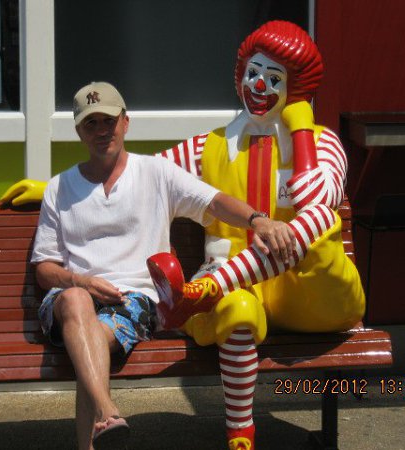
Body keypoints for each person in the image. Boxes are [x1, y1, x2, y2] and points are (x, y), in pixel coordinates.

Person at [32, 80, 294, 450]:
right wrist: (83, 282)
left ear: (125, 122)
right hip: (69, 298)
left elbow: (215, 202)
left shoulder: (155, 172)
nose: (101, 130)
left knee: (87, 344)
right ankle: (107, 412)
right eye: (91, 123)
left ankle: (96, 431)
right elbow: (44, 269)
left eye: (108, 120)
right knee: (76, 302)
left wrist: (258, 220)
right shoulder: (59, 188)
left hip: (133, 299)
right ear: (79, 131)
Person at [146, 21, 365, 450]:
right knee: (240, 309)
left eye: (274, 78)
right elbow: (138, 177)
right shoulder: (206, 148)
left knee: (321, 218)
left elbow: (320, 197)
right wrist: (55, 188)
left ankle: (204, 290)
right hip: (237, 296)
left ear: (296, 90)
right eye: (253, 72)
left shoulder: (323, 143)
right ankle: (240, 436)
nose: (259, 85)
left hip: (311, 298)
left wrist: (301, 130)